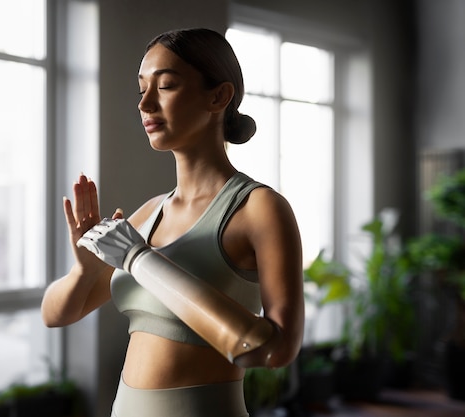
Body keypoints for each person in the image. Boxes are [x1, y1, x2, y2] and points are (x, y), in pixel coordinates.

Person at [41, 28, 304, 417]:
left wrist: (138, 258)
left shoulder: (259, 208)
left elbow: (273, 350)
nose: (145, 103)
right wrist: (83, 271)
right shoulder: (147, 214)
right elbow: (55, 315)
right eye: (141, 88)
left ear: (219, 96)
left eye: (166, 85)